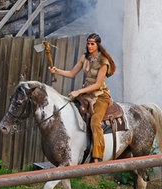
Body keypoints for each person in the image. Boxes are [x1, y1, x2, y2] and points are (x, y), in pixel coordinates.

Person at [50, 33, 116, 163]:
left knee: (95, 122)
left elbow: (97, 84)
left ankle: (97, 156)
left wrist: (78, 91)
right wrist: (57, 71)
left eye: (92, 43)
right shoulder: (84, 58)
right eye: (88, 43)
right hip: (86, 95)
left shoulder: (103, 62)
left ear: (98, 45)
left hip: (100, 96)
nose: (89, 46)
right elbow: (72, 73)